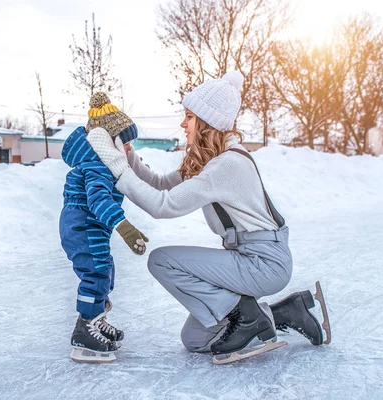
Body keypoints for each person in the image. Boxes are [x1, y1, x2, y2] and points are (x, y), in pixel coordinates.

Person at [85, 72, 329, 363]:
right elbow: (162, 184)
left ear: (206, 122)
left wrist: (117, 167)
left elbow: (163, 205)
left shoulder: (226, 165)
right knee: (196, 339)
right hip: (247, 258)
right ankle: (283, 312)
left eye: (188, 116)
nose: (182, 124)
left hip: (264, 262)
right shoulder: (212, 161)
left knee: (162, 260)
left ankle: (248, 318)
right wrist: (128, 155)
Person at [59, 92, 149, 363]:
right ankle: (84, 330)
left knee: (104, 271)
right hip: (84, 225)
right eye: (127, 141)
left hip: (88, 225)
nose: (130, 148)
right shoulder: (97, 164)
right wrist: (124, 227)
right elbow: (98, 201)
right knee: (96, 273)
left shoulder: (101, 160)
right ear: (113, 140)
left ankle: (95, 319)